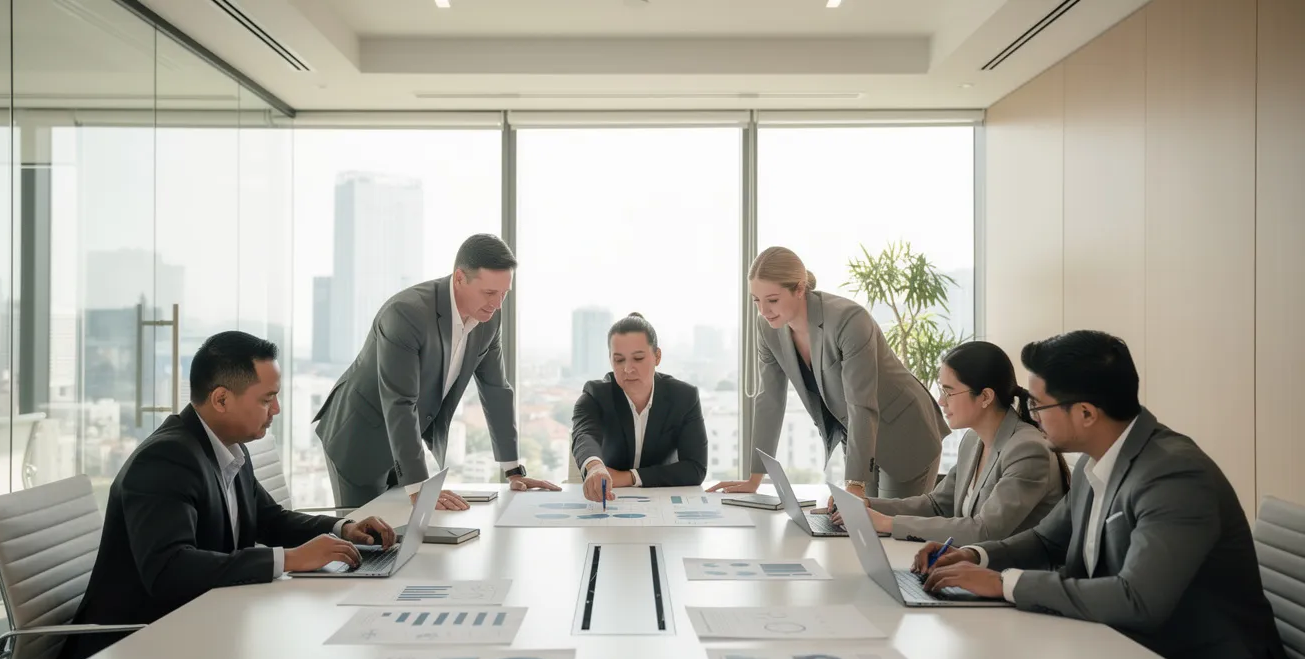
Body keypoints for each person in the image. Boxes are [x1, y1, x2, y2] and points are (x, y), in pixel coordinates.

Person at [914, 330, 1302, 659]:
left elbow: (1137, 600)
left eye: (1038, 404)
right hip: (1129, 658)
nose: (1030, 415)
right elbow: (1047, 539)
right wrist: (977, 555)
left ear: (1085, 413)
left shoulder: (1174, 475)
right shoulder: (1094, 462)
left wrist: (1004, 584)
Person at [55, 332, 397, 659]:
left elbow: (270, 518)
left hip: (200, 624)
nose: (276, 409)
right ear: (221, 400)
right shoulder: (165, 459)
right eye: (267, 399)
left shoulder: (230, 448)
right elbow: (169, 569)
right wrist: (291, 559)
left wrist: (343, 528)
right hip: (130, 651)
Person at [314, 234, 559, 510]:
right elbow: (400, 402)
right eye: (490, 293)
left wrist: (513, 470)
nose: (498, 304)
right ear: (459, 278)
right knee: (368, 540)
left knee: (405, 534)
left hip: (404, 444)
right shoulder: (406, 314)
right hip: (359, 439)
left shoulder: (489, 318)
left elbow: (496, 390)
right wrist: (420, 487)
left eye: (505, 293)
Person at [709, 246, 950, 503]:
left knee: (890, 528)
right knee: (863, 526)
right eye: (756, 300)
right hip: (858, 436)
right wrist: (755, 478)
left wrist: (854, 485)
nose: (763, 311)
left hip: (904, 431)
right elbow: (769, 400)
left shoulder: (849, 320)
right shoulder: (768, 329)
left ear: (799, 289)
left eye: (773, 300)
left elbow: (861, 403)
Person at [833, 341, 1068, 544]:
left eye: (949, 392)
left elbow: (985, 531)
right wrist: (864, 505)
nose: (941, 401)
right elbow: (936, 505)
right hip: (972, 568)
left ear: (985, 396)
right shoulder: (973, 439)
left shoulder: (1027, 450)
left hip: (1012, 580)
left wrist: (888, 523)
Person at [572, 313, 708, 502]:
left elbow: (695, 468)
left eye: (638, 358)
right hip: (610, 500)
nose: (628, 369)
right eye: (619, 360)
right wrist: (595, 466)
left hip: (663, 503)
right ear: (610, 359)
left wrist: (629, 477)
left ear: (657, 356)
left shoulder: (684, 397)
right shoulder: (595, 395)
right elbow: (583, 435)